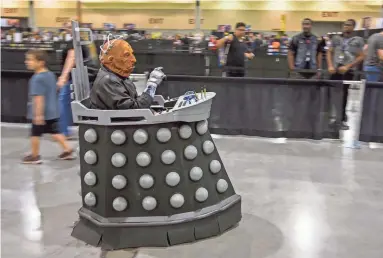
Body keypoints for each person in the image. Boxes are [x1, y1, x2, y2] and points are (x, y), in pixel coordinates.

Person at [22, 50, 74, 164]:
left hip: (41, 113)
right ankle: (67, 149)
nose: (27, 62)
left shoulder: (36, 79)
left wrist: (38, 115)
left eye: (30, 60)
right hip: (52, 111)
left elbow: (38, 98)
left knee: (35, 133)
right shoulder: (50, 75)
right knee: (55, 132)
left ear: (41, 62)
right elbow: (54, 90)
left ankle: (34, 156)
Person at [90, 37, 166, 110]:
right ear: (111, 60)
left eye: (131, 54)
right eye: (127, 55)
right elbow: (135, 111)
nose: (134, 59)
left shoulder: (118, 76)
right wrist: (152, 85)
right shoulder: (108, 81)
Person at [327, 19, 365, 130]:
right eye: (345, 25)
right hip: (335, 70)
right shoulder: (336, 38)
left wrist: (348, 66)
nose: (346, 27)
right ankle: (333, 117)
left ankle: (341, 119)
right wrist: (330, 65)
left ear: (353, 27)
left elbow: (361, 56)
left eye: (349, 25)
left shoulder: (358, 40)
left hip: (347, 71)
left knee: (343, 96)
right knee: (333, 95)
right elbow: (329, 51)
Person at [57, 22, 75, 139]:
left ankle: (63, 132)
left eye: (70, 27)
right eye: (66, 27)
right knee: (67, 104)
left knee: (62, 103)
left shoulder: (72, 42)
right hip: (75, 77)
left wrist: (63, 77)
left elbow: (71, 58)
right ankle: (66, 130)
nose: (67, 29)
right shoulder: (78, 41)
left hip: (70, 78)